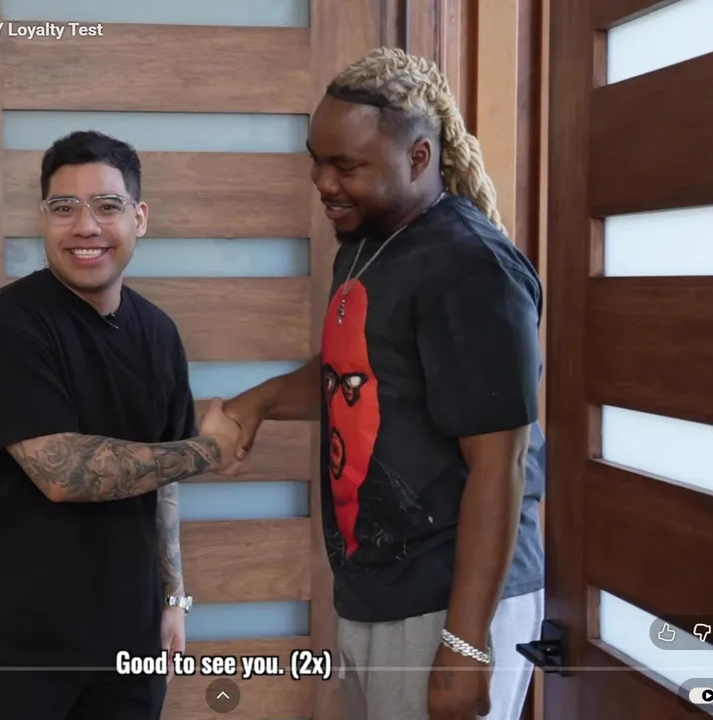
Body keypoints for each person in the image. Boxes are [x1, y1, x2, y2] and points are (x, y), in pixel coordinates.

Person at [224, 48, 546, 720]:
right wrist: (260, 402)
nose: (323, 182)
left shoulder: (472, 271)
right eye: (317, 160)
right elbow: (362, 371)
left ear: (419, 157)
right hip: (379, 589)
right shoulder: (368, 241)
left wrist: (465, 645)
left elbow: (502, 466)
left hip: (450, 601)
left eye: (346, 166)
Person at [0, 130, 244, 720]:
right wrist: (209, 450)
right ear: (44, 219)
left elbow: (162, 483)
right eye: (64, 208)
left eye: (107, 206)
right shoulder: (7, 325)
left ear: (139, 218)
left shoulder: (159, 333)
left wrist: (174, 598)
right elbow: (63, 472)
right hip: (14, 647)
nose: (86, 227)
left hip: (128, 643)